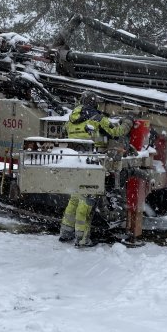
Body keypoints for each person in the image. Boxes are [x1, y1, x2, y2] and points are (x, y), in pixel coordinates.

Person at [59, 91, 133, 247]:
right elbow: (117, 131)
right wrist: (128, 121)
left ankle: (65, 233)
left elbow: (66, 136)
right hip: (91, 164)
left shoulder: (70, 120)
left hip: (74, 162)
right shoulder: (97, 118)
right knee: (86, 202)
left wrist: (95, 138)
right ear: (94, 104)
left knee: (74, 199)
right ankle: (82, 239)